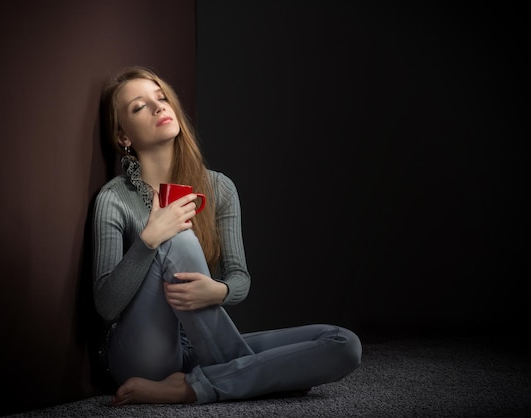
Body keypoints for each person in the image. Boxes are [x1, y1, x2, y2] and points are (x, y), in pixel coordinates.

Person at [92, 65, 362, 405]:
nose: (159, 106)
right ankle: (249, 375)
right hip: (141, 356)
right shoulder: (114, 199)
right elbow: (105, 305)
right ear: (123, 137)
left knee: (343, 343)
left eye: (161, 98)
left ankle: (194, 386)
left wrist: (216, 291)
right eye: (139, 106)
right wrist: (149, 240)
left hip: (197, 347)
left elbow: (240, 279)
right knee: (179, 238)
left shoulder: (219, 187)